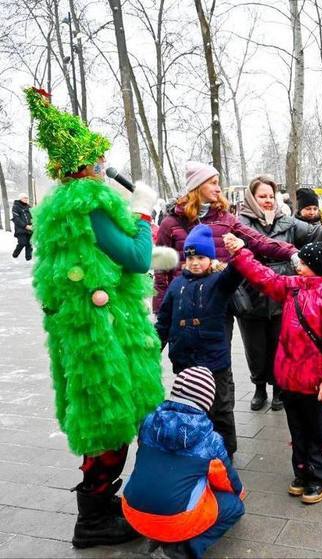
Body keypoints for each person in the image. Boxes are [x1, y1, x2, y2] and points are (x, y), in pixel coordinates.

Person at [25, 87, 163, 548]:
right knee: (112, 420)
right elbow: (136, 257)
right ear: (86, 166)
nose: (106, 167)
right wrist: (143, 214)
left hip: (81, 329)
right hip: (107, 333)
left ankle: (98, 509)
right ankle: (95, 519)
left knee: (98, 413)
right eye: (100, 160)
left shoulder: (57, 211)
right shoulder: (91, 202)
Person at [228, 240, 322, 504]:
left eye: (304, 263)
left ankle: (321, 476)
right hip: (291, 378)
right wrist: (240, 254)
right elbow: (265, 278)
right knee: (297, 429)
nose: (299, 266)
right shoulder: (294, 287)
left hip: (316, 383)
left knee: (320, 431)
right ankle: (303, 471)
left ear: (317, 267)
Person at [237, 176, 322, 411]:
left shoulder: (288, 221)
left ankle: (278, 389)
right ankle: (259, 387)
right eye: (262, 196)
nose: (268, 201)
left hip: (283, 294)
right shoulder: (239, 223)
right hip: (251, 293)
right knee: (255, 348)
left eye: (271, 196)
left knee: (280, 344)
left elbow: (315, 233)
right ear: (252, 198)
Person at [122, 367, 245, 559]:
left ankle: (158, 534)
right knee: (234, 506)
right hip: (174, 521)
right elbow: (226, 480)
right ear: (207, 401)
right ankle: (181, 550)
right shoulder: (209, 440)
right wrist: (237, 493)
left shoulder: (147, 422)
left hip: (132, 511)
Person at [154, 161, 297, 312]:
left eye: (218, 184)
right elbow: (161, 270)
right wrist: (160, 309)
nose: (218, 189)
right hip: (184, 305)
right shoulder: (170, 223)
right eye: (213, 183)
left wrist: (292, 253)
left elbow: (259, 241)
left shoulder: (225, 219)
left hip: (219, 305)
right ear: (198, 186)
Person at [155, 225, 245, 458]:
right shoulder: (177, 285)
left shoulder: (219, 281)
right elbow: (164, 320)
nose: (195, 262)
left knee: (220, 408)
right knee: (190, 406)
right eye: (191, 257)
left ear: (210, 258)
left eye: (201, 257)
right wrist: (154, 346)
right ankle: (197, 447)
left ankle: (225, 452)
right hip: (185, 360)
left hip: (214, 361)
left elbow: (236, 271)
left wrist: (238, 251)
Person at [11, 193, 33, 260]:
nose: (26, 199)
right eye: (25, 198)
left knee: (29, 243)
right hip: (20, 229)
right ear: (20, 198)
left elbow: (32, 216)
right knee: (22, 242)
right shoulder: (16, 207)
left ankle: (28, 258)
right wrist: (25, 226)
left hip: (29, 228)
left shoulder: (28, 207)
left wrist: (32, 224)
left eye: (27, 198)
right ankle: (15, 254)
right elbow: (16, 218)